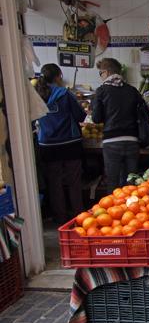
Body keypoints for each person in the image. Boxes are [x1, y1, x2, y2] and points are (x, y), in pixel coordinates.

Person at [35, 63, 86, 225]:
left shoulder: (36, 94)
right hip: (70, 143)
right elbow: (80, 115)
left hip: (47, 144)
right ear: (59, 76)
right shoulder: (64, 93)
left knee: (54, 183)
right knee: (74, 181)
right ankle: (79, 217)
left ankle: (60, 219)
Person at [92, 58, 145, 191]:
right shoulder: (132, 90)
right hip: (132, 140)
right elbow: (143, 112)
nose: (101, 77)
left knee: (113, 184)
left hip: (112, 142)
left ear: (106, 72)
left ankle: (114, 211)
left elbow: (96, 118)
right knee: (131, 183)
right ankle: (133, 210)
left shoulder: (102, 91)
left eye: (100, 73)